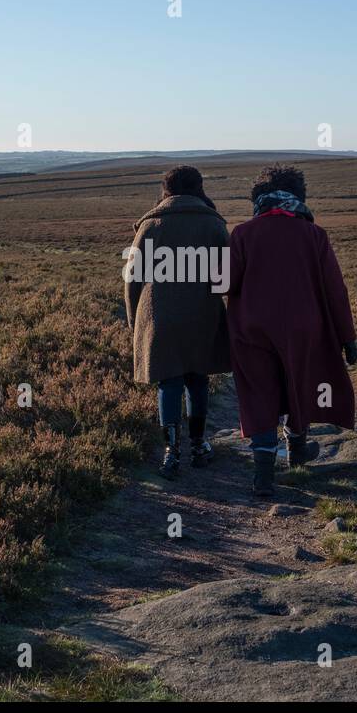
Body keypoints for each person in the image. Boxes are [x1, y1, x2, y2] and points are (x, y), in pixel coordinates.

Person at [227, 163, 357, 498]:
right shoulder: (314, 235)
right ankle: (297, 448)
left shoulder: (243, 234)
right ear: (298, 196)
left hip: (252, 330)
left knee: (260, 393)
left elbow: (223, 283)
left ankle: (263, 475)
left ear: (258, 198)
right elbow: (335, 290)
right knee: (299, 386)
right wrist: (347, 337)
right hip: (304, 329)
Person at [125, 165, 232, 478]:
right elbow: (224, 280)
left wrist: (135, 323)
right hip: (201, 314)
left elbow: (133, 279)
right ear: (199, 188)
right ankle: (199, 445)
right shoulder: (213, 223)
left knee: (168, 382)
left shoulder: (151, 224)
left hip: (159, 316)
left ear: (166, 189)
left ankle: (171, 453)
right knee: (197, 379)